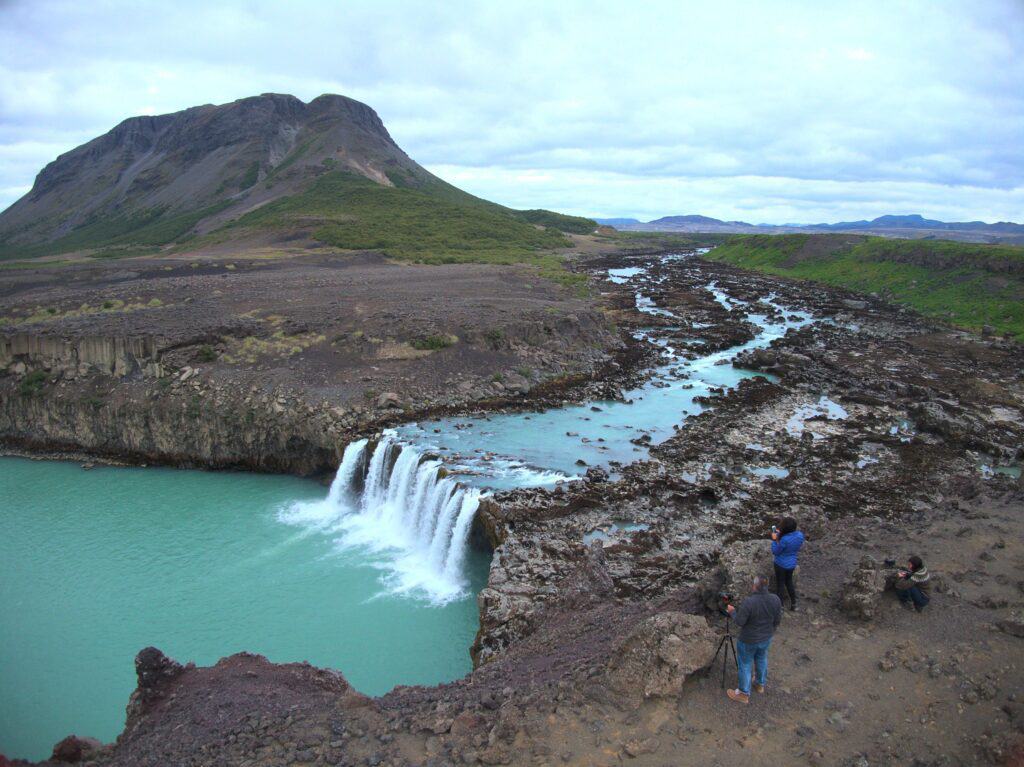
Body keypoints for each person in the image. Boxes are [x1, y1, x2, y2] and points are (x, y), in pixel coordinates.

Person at [725, 575, 783, 704]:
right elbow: (777, 620)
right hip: (766, 637)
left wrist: (732, 611)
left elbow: (740, 622)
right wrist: (769, 631)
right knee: (762, 658)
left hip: (748, 640)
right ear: (767, 586)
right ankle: (759, 684)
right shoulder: (775, 599)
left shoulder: (749, 602)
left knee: (745, 664)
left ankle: (743, 693)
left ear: (755, 586)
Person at [771, 516, 804, 610]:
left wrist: (774, 540)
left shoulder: (784, 540)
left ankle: (780, 606)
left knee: (780, 584)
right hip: (792, 563)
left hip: (780, 564)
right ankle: (794, 604)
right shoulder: (800, 535)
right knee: (789, 582)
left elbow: (775, 551)